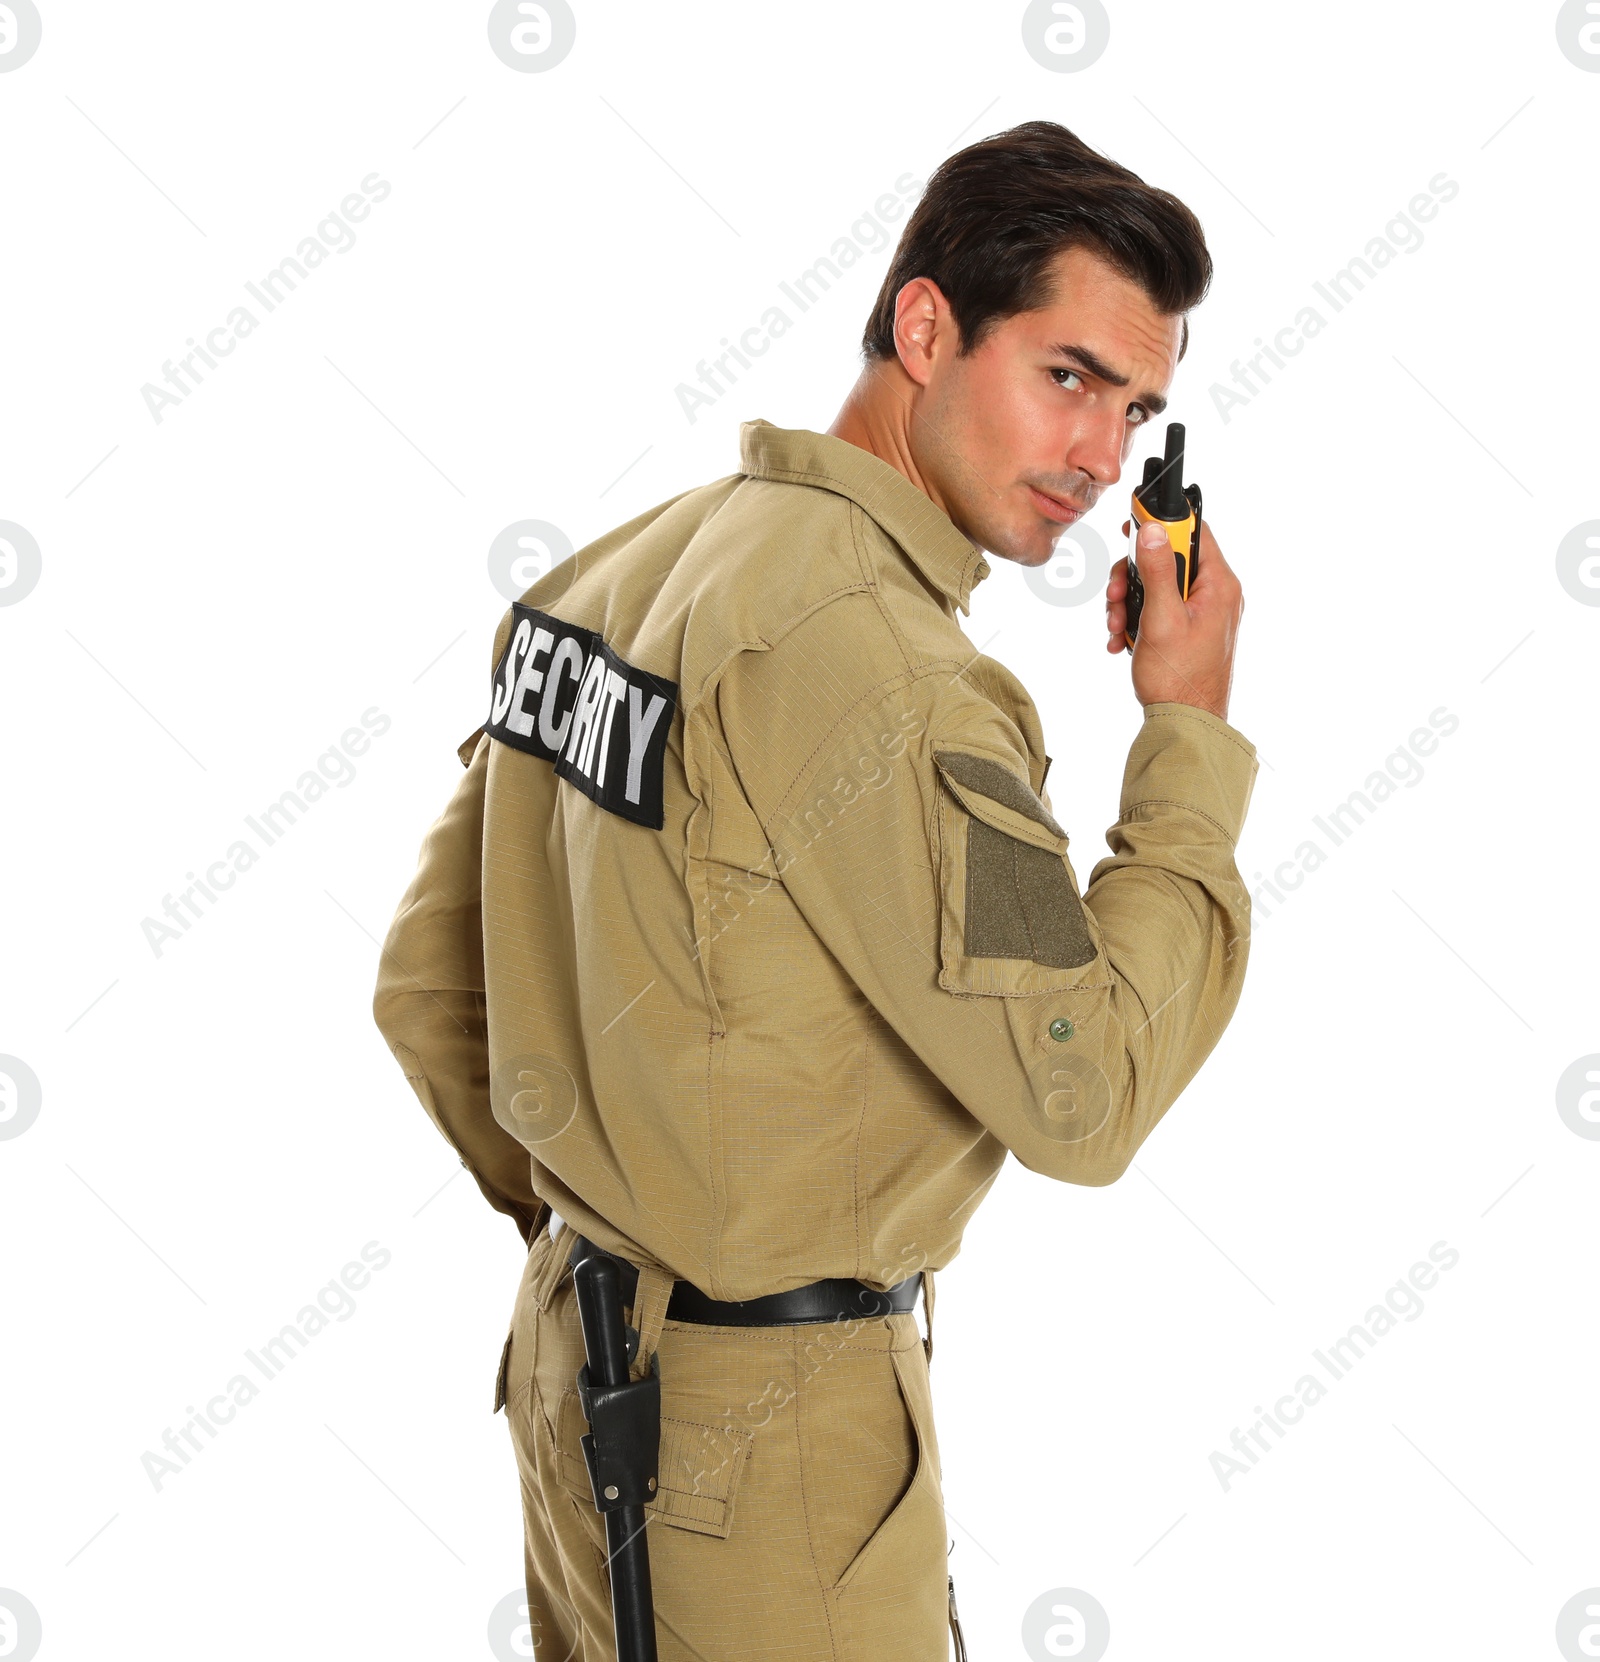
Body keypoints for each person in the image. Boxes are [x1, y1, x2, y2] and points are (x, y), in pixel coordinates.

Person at [372, 118, 1257, 1662]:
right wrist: (1186, 734)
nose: (1103, 459)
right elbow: (1081, 1090)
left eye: (1140, 408)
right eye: (1067, 376)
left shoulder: (623, 567)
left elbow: (427, 992)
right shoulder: (899, 679)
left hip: (574, 1377)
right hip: (772, 1438)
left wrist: (617, 1233)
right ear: (926, 326)